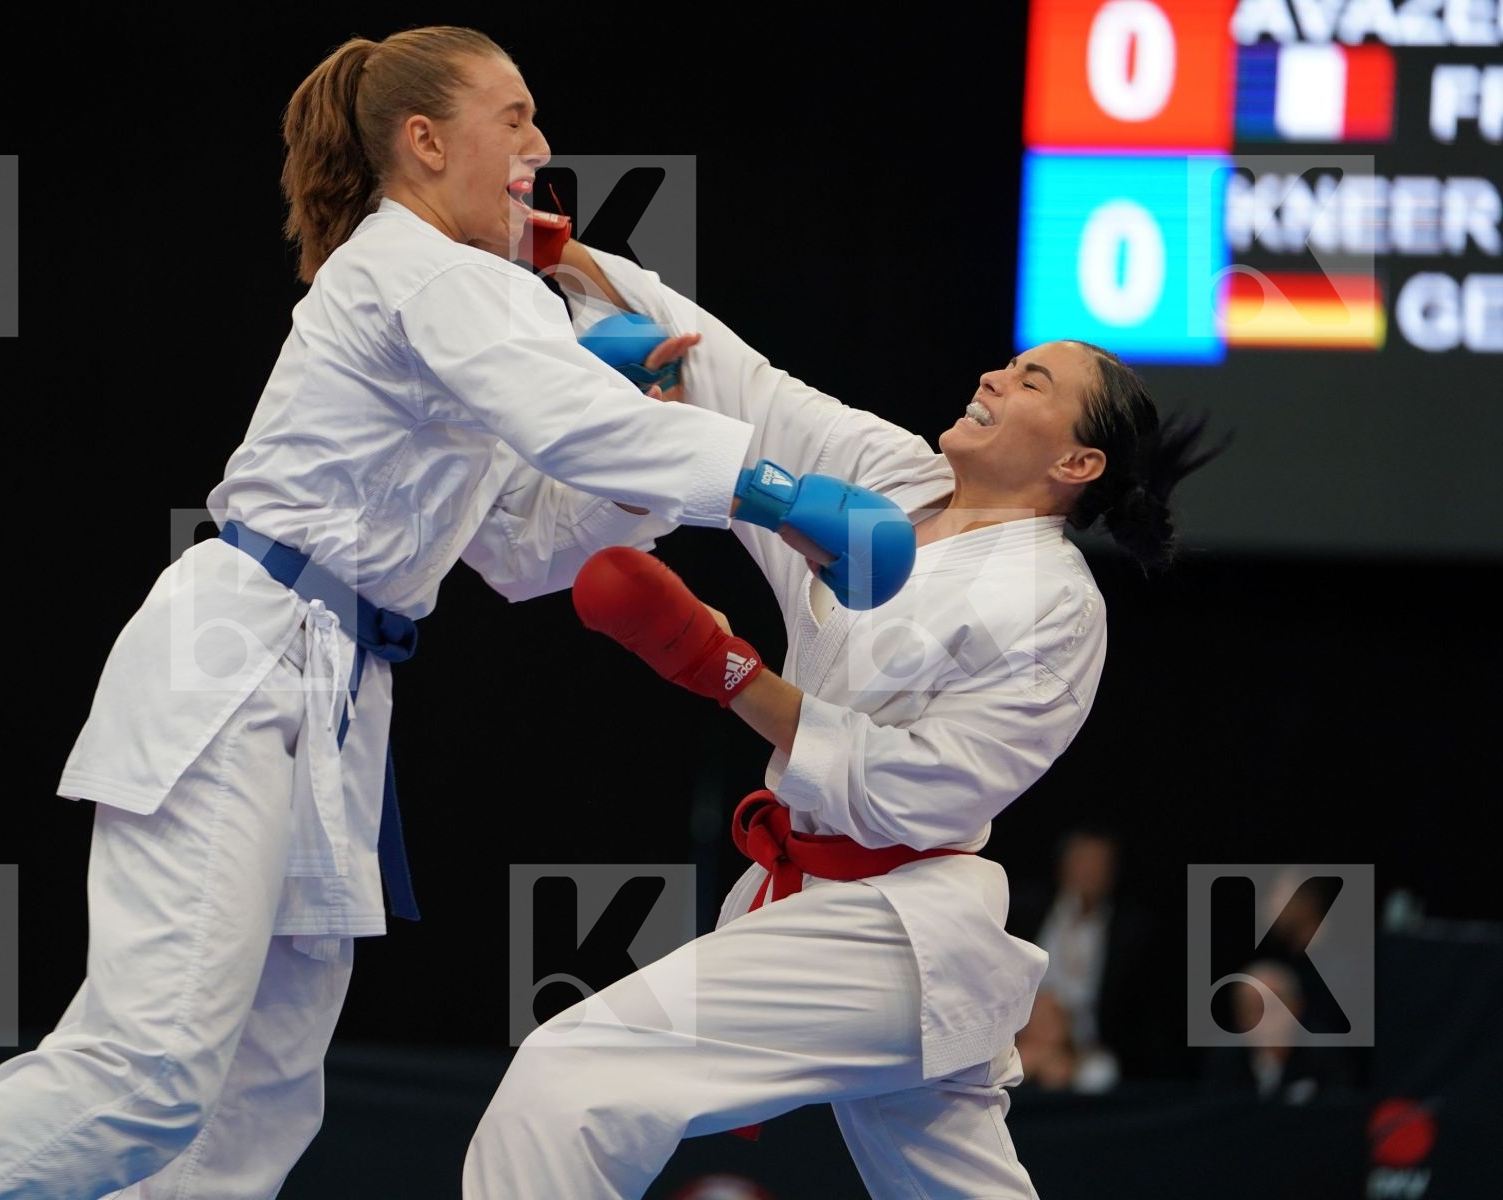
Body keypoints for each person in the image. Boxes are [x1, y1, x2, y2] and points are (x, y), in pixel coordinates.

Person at [0, 27, 896, 1200]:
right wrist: (775, 491)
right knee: (143, 1072)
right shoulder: (415, 267)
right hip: (240, 654)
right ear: (424, 139)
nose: (541, 149)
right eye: (517, 117)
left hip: (337, 682)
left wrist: (638, 456)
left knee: (260, 1098)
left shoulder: (472, 308)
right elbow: (559, 413)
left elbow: (521, 547)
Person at [462, 242, 1227, 1199]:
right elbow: (736, 385)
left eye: (1031, 380)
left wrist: (726, 668)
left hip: (896, 922)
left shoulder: (1058, 606)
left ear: (1077, 461)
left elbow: (921, 789)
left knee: (569, 1078)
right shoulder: (891, 480)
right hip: (830, 899)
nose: (994, 374)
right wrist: (563, 258)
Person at [1006, 825, 1161, 1089]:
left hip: (1086, 1049)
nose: (1089, 871)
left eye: (1098, 863)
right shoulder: (1027, 913)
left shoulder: (1129, 932)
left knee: (1098, 1076)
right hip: (1022, 1040)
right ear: (1063, 865)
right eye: (1082, 861)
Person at [1202, 959, 1357, 1104]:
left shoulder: (1323, 1051)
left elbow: (1340, 1111)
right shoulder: (1227, 1058)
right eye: (1255, 1009)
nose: (1266, 1019)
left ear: (1296, 1006)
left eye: (1274, 1006)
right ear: (1240, 1017)